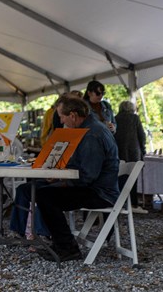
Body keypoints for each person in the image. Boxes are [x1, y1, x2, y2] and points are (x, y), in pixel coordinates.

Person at [21, 95, 119, 262]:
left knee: (46, 196)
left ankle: (67, 248)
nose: (60, 120)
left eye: (62, 116)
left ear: (73, 115)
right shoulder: (90, 129)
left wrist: (62, 181)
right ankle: (57, 242)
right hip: (97, 187)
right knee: (32, 189)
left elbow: (88, 176)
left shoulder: (91, 134)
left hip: (100, 193)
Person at [115, 101, 147, 212]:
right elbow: (141, 135)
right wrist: (143, 149)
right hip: (134, 151)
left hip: (119, 151)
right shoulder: (135, 118)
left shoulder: (116, 118)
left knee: (120, 176)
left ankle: (120, 201)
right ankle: (133, 203)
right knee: (133, 177)